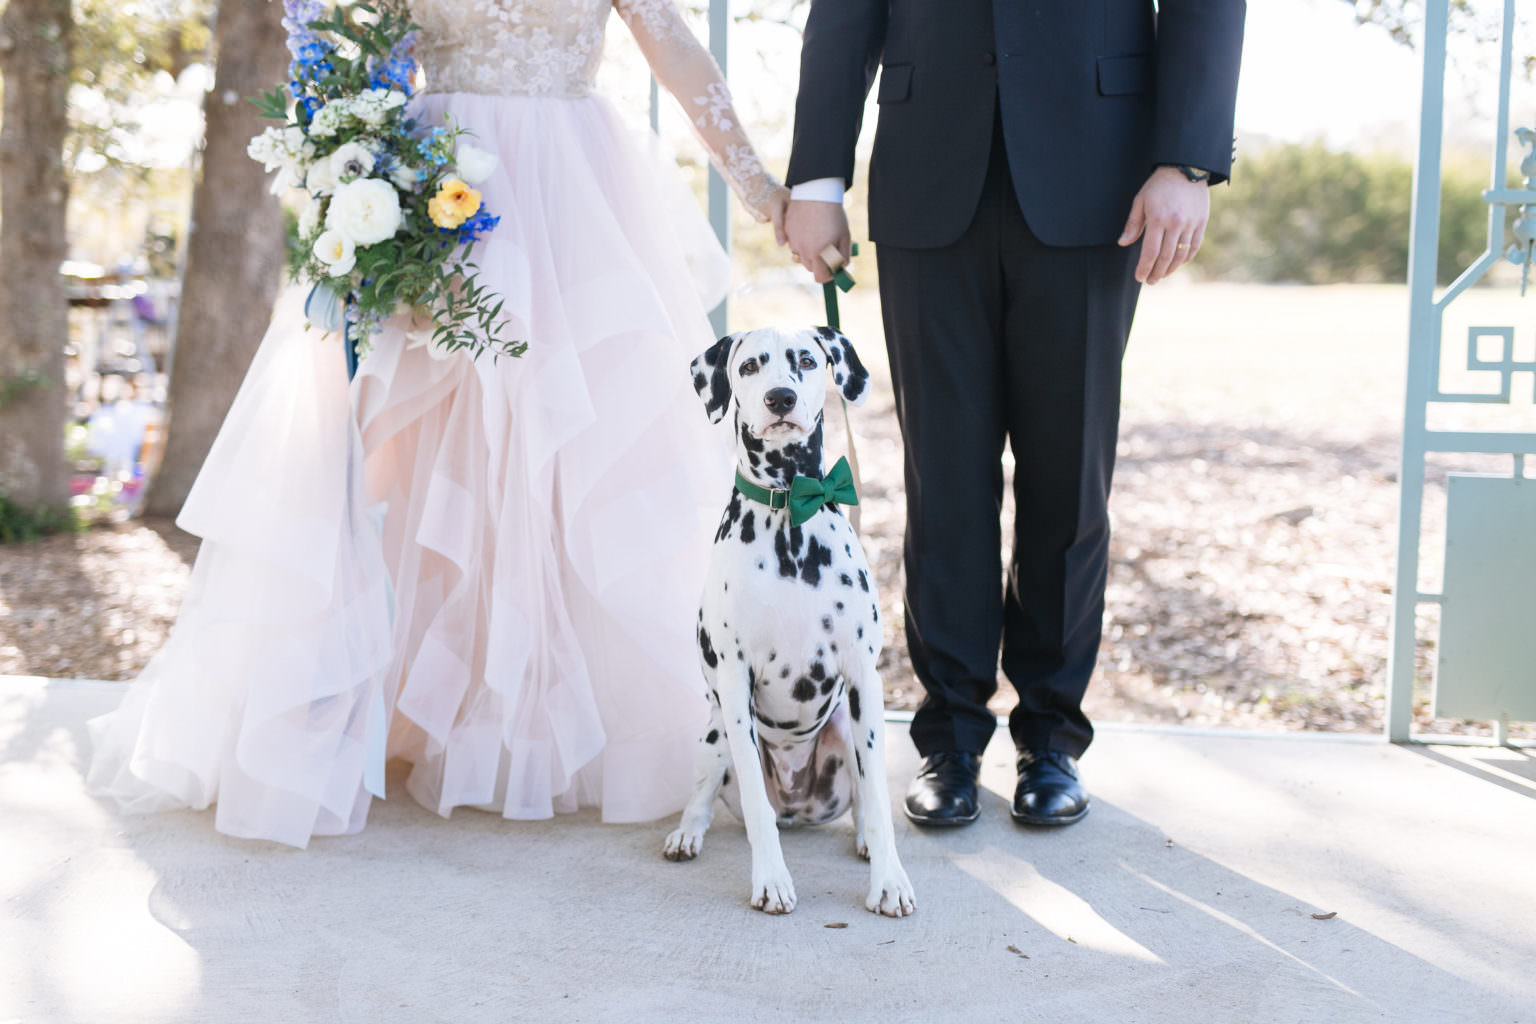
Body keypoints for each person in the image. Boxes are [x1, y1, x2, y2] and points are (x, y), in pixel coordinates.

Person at [87, 0, 789, 848]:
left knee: (582, 439)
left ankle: (570, 727)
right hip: (437, 191)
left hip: (573, 198)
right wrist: (348, 175)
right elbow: (358, 59)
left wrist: (762, 191)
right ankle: (425, 714)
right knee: (416, 450)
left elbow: (672, 48)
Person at [782, 0, 1245, 827]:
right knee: (944, 479)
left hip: (1100, 175)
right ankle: (948, 739)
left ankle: (1052, 740)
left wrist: (1188, 160)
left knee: (1070, 477)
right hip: (929, 167)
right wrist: (818, 176)